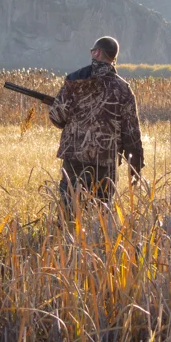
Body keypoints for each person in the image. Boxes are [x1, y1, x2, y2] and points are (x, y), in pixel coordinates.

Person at [49, 36, 144, 219]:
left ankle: (66, 245)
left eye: (93, 50)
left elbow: (57, 118)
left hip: (74, 160)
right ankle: (98, 245)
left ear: (97, 53)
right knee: (101, 215)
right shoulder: (123, 89)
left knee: (69, 211)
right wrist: (136, 165)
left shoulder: (74, 80)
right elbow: (132, 133)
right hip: (106, 162)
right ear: (113, 58)